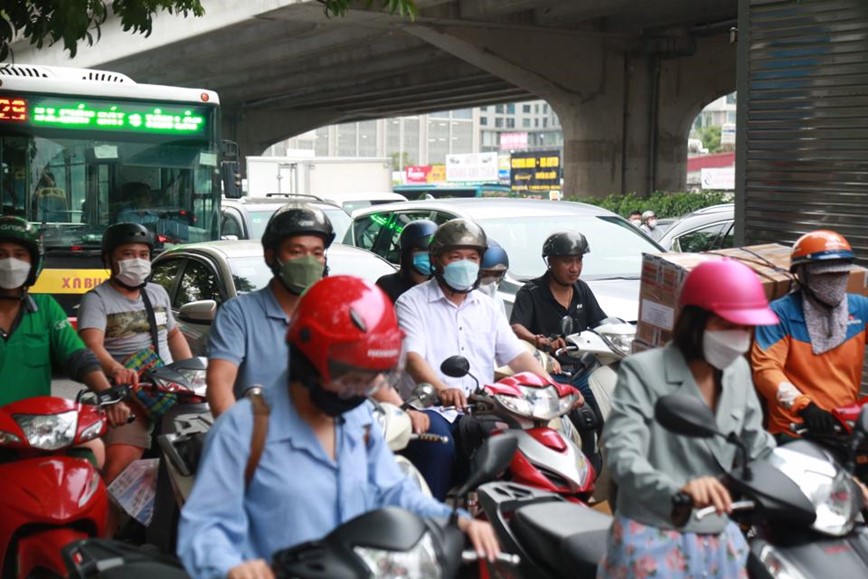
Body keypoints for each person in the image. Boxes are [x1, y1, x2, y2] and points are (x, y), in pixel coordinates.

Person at [177, 276, 500, 578]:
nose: (359, 392)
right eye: (350, 380)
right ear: (305, 360)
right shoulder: (244, 430)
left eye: (369, 380)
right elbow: (203, 529)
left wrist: (455, 519)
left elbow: (393, 489)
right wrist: (232, 565)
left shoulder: (357, 420)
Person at [599, 259, 779, 578]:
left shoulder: (736, 370)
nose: (739, 337)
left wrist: (830, 484)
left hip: (719, 528)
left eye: (746, 327)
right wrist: (679, 490)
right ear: (694, 322)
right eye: (726, 325)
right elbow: (622, 454)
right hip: (653, 530)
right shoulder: (643, 371)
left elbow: (758, 444)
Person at [395, 218, 553, 500]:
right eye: (455, 257)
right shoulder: (411, 303)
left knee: (522, 444)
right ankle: (436, 518)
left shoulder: (489, 307)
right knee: (439, 445)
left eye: (472, 257)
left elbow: (517, 357)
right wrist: (441, 390)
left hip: (483, 409)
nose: (464, 263)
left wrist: (555, 387)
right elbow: (413, 358)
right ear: (437, 261)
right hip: (432, 410)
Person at [0, 216, 129, 468]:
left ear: (33, 263)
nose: (10, 263)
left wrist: (108, 395)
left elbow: (78, 356)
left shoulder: (46, 308)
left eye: (19, 255)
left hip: (33, 433)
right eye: (1, 254)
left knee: (92, 456)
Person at [78, 222, 192, 483]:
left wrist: (192, 373)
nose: (137, 261)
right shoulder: (97, 299)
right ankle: (110, 522)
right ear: (110, 260)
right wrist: (117, 370)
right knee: (119, 471)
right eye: (128, 254)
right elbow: (91, 345)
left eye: (143, 255)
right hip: (126, 397)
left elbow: (173, 335)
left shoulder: (157, 293)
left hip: (166, 391)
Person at [206, 202, 334, 418]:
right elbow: (220, 382)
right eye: (296, 252)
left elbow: (368, 379)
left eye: (317, 253)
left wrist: (403, 410)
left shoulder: (335, 314)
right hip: (261, 438)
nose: (308, 262)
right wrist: (238, 435)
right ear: (271, 256)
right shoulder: (238, 314)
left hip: (326, 437)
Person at [751, 230, 868, 440]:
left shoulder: (860, 307)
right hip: (796, 428)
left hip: (845, 425)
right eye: (824, 275)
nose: (834, 281)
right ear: (803, 274)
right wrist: (803, 406)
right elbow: (766, 369)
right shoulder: (780, 314)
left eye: (840, 274)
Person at [510, 231, 607, 353]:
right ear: (550, 261)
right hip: (545, 365)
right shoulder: (530, 293)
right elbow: (516, 327)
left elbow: (600, 323)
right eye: (567, 261)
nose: (575, 268)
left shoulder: (582, 289)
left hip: (582, 365)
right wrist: (538, 341)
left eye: (579, 260)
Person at [376, 219, 437, 303]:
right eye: (422, 251)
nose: (428, 256)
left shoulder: (439, 286)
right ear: (406, 253)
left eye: (433, 251)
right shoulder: (387, 285)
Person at [478, 239, 509, 318]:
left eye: (497, 274)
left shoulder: (497, 300)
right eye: (485, 274)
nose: (491, 282)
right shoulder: (461, 299)